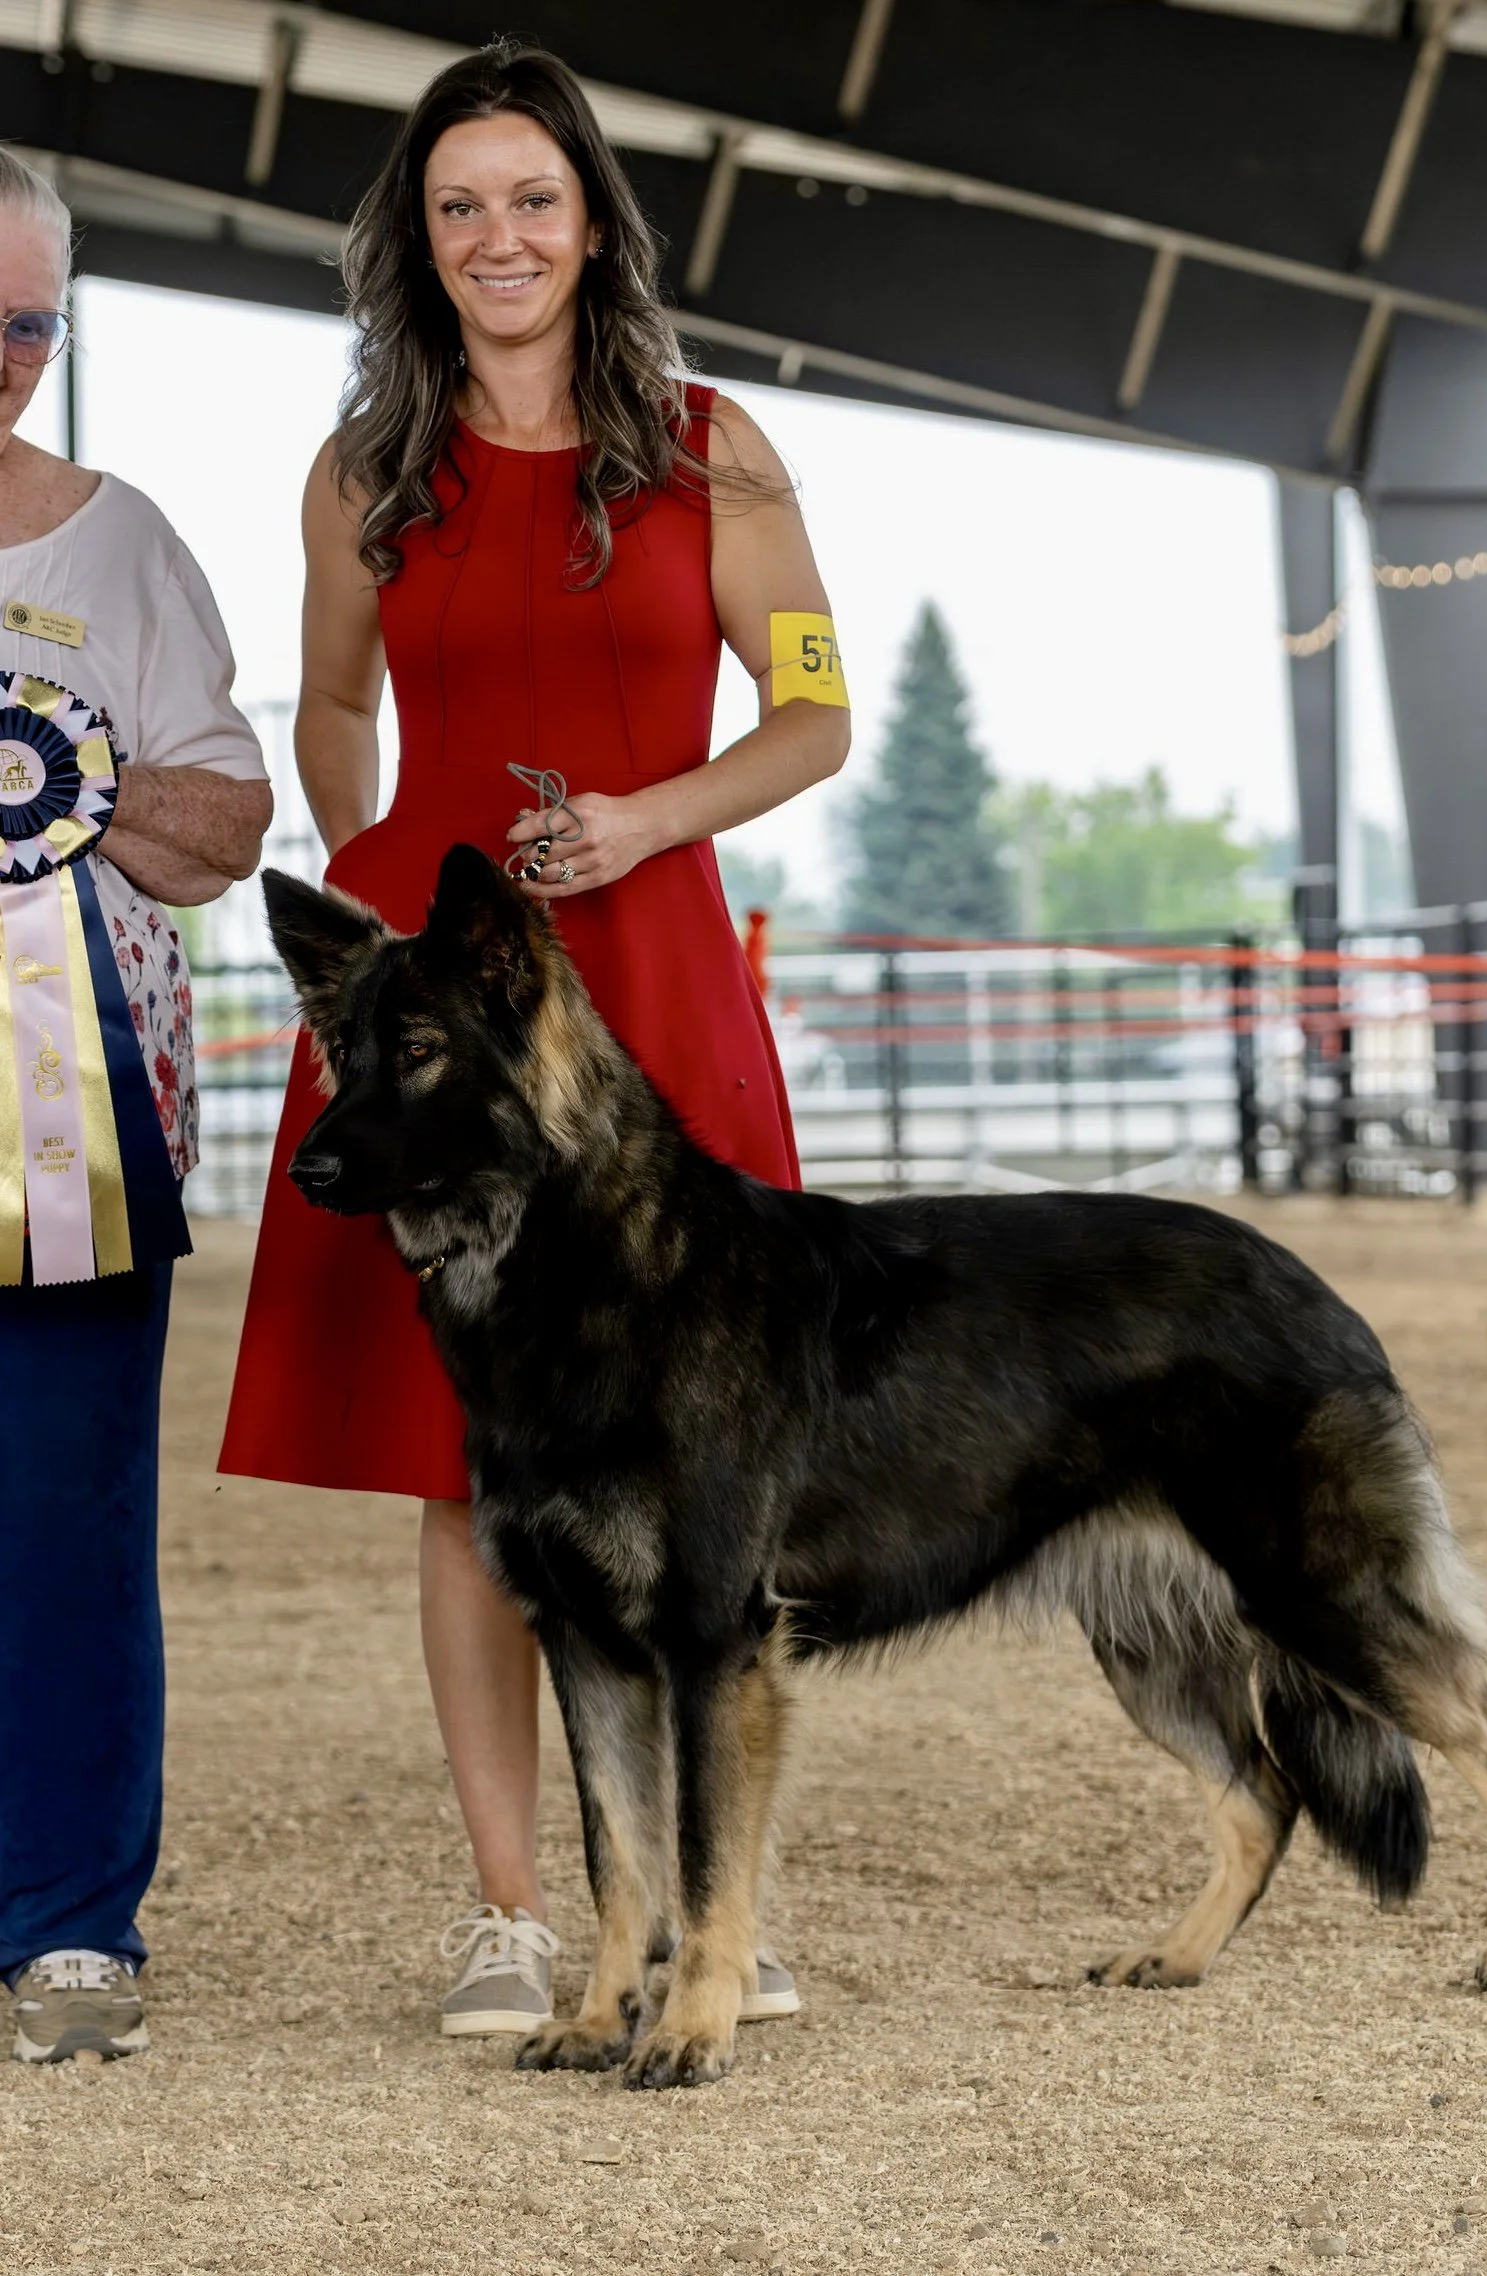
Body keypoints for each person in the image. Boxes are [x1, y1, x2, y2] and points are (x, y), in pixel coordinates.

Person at [219, 43, 849, 2043]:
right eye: (459, 203)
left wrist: (656, 814)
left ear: (592, 218)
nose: (499, 237)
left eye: (533, 197)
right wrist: (367, 852)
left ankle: (713, 1909)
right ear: (420, 236)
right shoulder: (363, 470)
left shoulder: (715, 450)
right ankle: (514, 1914)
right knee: (462, 1472)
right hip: (438, 1001)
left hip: (654, 975)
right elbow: (325, 705)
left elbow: (815, 713)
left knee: (708, 1462)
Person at [0, 149, 272, 2061]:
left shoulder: (124, 544)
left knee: (72, 1508)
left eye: (28, 324)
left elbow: (231, 825)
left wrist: (75, 788)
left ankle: (74, 1918)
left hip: (66, 1122)